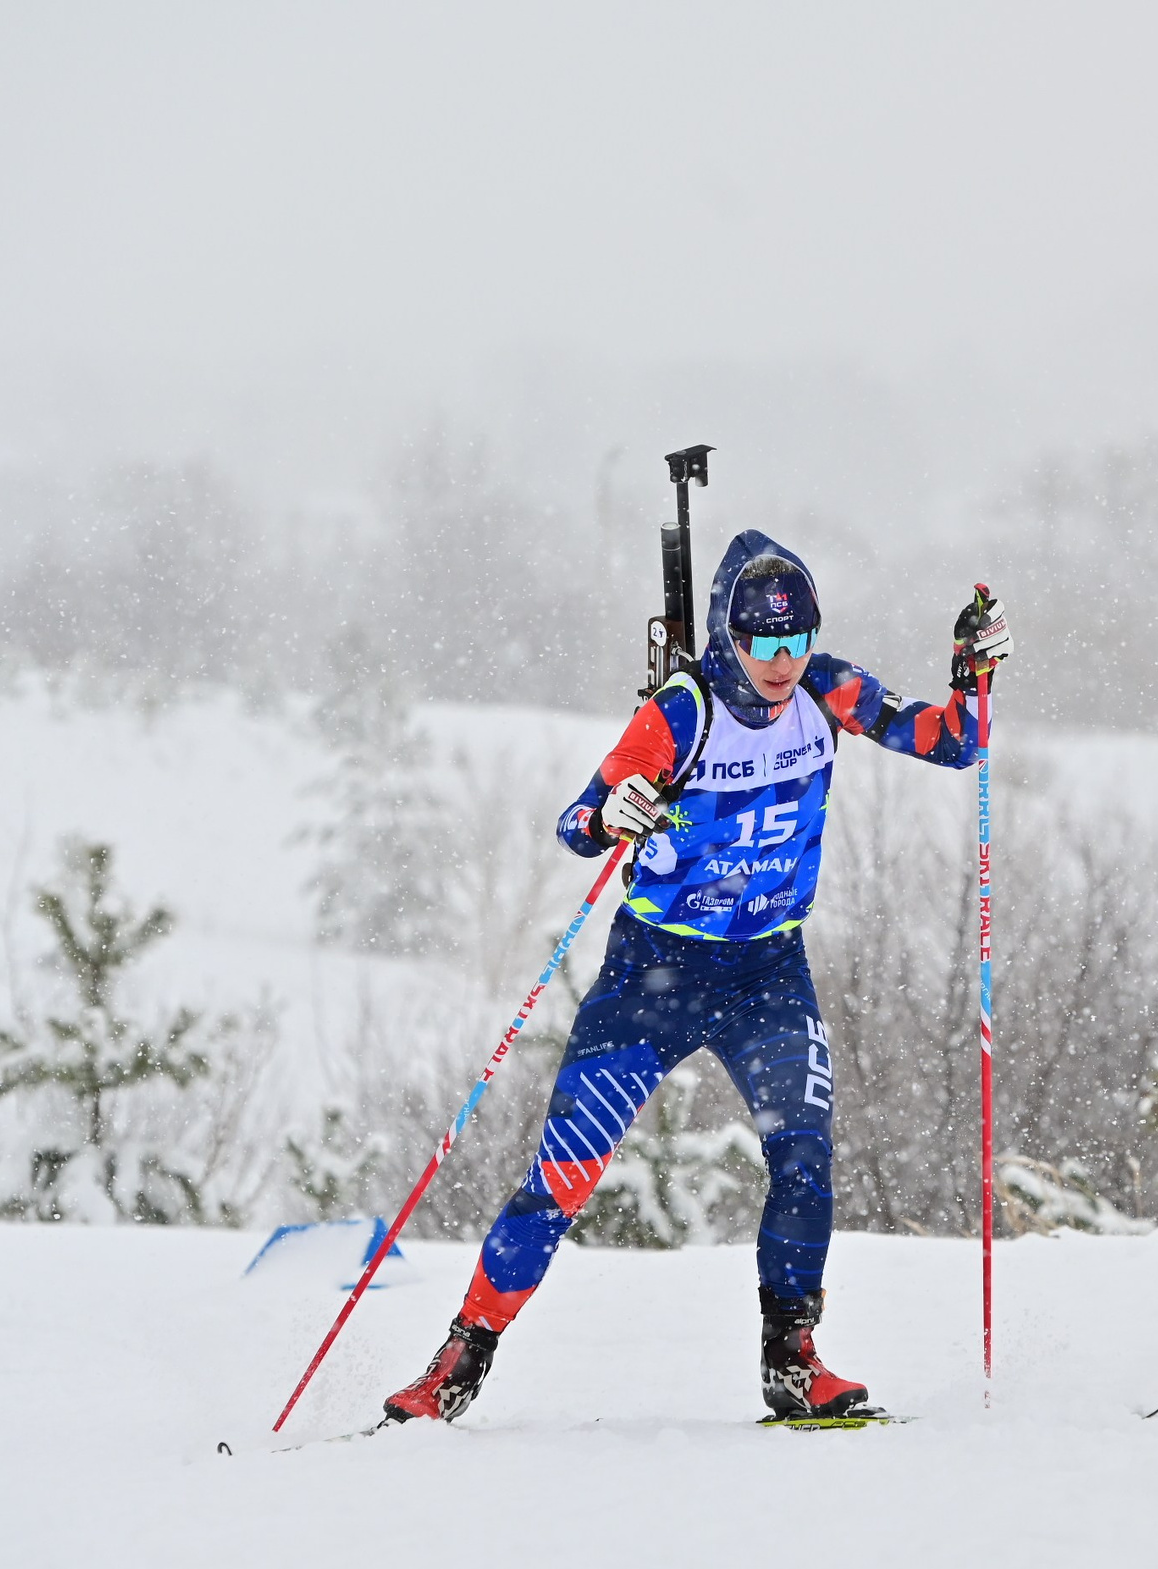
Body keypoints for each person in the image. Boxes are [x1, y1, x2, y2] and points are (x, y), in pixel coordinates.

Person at [381, 530, 1011, 1423]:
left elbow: (955, 742)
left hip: (767, 969)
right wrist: (614, 813)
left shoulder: (828, 691)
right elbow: (577, 821)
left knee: (804, 1153)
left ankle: (791, 1358)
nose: (783, 662)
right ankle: (459, 1359)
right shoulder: (685, 711)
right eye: (763, 643)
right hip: (656, 970)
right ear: (728, 635)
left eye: (797, 641)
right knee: (563, 1174)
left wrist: (971, 672)